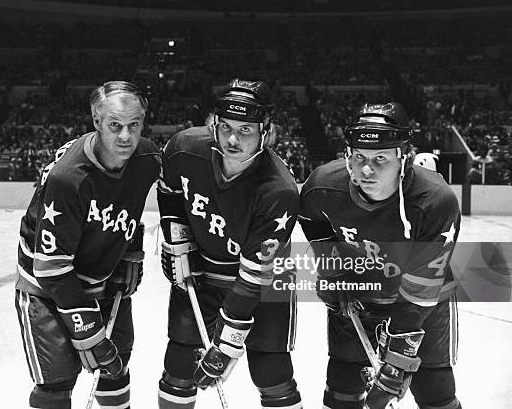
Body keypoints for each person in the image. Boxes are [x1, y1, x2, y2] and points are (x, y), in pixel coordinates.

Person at [298, 102, 462, 409]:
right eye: (358, 157)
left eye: (380, 159)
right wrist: (335, 271)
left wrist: (395, 364)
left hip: (422, 303)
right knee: (342, 390)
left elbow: (419, 291)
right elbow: (312, 219)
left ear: (404, 158)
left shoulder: (435, 202)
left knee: (433, 391)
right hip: (358, 296)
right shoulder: (323, 186)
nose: (367, 170)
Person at [157, 79, 303, 409]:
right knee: (180, 365)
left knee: (271, 373)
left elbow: (255, 278)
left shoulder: (278, 190)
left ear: (266, 131)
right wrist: (177, 242)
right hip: (202, 272)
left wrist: (227, 344)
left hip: (262, 283)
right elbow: (169, 190)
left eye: (245, 130)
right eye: (224, 127)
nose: (232, 139)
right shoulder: (185, 148)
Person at [14, 81, 160, 409]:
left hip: (104, 282)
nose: (126, 137)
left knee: (115, 370)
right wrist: (89, 330)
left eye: (134, 125)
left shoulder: (148, 158)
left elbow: (177, 190)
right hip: (48, 289)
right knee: (55, 386)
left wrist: (131, 252)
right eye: (115, 125)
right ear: (96, 120)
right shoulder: (69, 178)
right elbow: (51, 267)